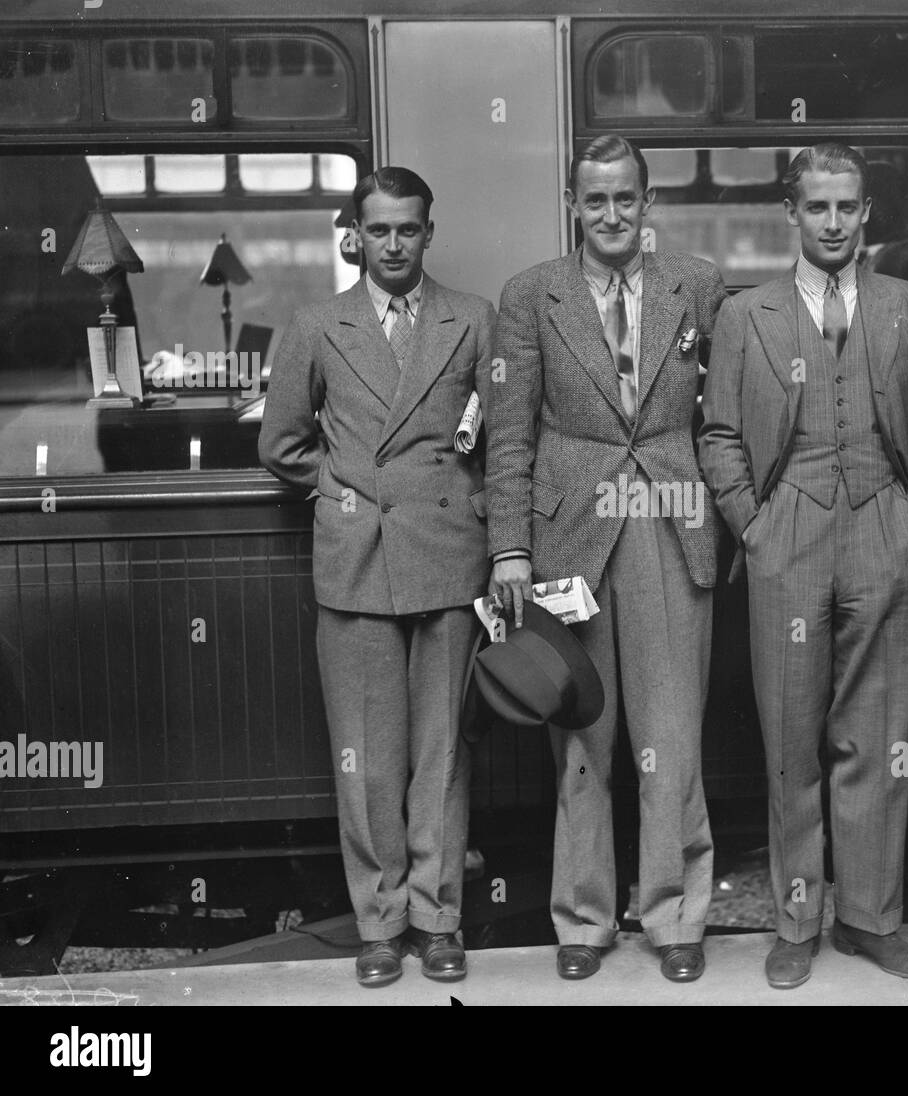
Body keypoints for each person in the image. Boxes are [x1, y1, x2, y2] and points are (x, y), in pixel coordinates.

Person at [699, 142, 908, 989]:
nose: (834, 222)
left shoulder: (907, 305)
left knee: (877, 740)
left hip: (884, 526)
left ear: (867, 212)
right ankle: (798, 919)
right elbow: (721, 436)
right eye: (818, 207)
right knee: (791, 744)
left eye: (848, 207)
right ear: (792, 213)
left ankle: (871, 920)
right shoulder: (748, 315)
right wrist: (757, 527)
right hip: (788, 537)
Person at [485, 134, 727, 983]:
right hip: (569, 537)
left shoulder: (696, 284)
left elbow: (724, 414)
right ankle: (584, 921)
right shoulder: (529, 297)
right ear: (573, 205)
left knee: (672, 737)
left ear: (648, 203)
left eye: (627, 198)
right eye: (596, 200)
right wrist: (511, 550)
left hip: (668, 521)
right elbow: (508, 436)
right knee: (581, 735)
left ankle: (674, 918)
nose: (613, 215)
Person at [259, 167, 495, 987]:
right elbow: (283, 443)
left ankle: (438, 921)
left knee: (442, 753)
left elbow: (496, 442)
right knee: (366, 755)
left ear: (430, 232)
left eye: (409, 229)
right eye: (378, 230)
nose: (394, 245)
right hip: (357, 564)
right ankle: (378, 923)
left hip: (447, 557)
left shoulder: (475, 320)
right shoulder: (318, 325)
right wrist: (343, 492)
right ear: (353, 235)